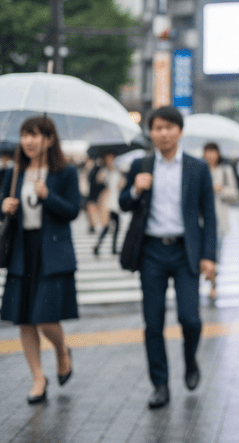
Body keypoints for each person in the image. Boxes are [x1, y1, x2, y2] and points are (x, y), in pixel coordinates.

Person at [119, 106, 217, 410]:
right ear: (151, 132)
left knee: (191, 318)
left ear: (179, 130)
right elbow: (122, 203)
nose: (163, 133)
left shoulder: (197, 168)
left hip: (184, 250)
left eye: (169, 127)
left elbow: (209, 217)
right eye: (157, 128)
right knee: (153, 322)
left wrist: (209, 257)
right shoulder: (141, 164)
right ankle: (160, 384)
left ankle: (190, 360)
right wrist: (135, 190)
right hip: (151, 252)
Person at [1, 116, 78, 404]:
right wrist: (4, 206)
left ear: (50, 139)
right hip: (23, 251)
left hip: (52, 253)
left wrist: (48, 196)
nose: (29, 141)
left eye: (35, 135)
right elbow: (5, 209)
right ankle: (38, 378)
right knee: (24, 320)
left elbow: (73, 211)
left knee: (46, 318)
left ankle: (61, 351)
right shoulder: (14, 172)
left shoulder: (64, 172)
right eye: (25, 135)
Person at [203, 143, 239, 300]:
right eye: (207, 152)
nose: (210, 156)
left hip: (219, 220)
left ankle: (213, 284)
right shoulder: (199, 170)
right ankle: (209, 276)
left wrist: (221, 190)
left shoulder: (225, 170)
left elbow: (235, 194)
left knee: (215, 254)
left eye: (213, 152)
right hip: (201, 220)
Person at [93, 151, 123, 256]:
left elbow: (121, 184)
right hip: (108, 202)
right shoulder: (105, 171)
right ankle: (98, 246)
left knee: (117, 226)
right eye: (109, 159)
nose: (111, 161)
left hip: (116, 201)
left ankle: (111, 248)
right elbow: (98, 181)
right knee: (107, 226)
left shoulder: (118, 171)